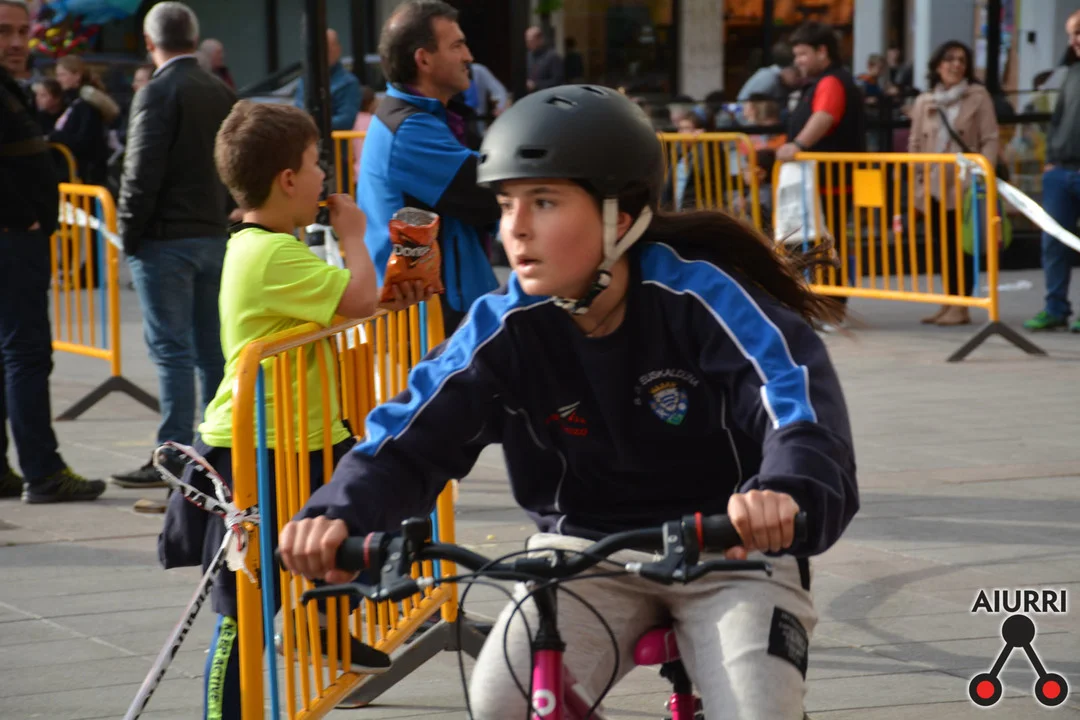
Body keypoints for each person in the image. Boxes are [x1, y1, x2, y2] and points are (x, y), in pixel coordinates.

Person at [279, 84, 859, 720]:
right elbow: (411, 436)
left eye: (545, 201)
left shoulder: (701, 298)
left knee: (755, 708)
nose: (516, 228)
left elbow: (793, 400)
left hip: (729, 550)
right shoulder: (504, 327)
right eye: (506, 205)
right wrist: (338, 514)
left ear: (620, 216)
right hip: (581, 554)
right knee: (504, 700)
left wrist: (787, 487)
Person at [158, 100, 420, 719]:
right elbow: (358, 300)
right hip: (257, 449)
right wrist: (354, 235)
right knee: (244, 606)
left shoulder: (275, 246)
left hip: (302, 434)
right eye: (315, 163)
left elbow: (348, 305)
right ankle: (227, 709)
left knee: (344, 531)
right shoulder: (269, 254)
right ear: (287, 180)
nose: (325, 175)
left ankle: (321, 630)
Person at [111, 2, 237, 495]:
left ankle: (173, 455)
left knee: (173, 353)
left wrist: (128, 233)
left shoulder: (158, 91)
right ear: (194, 38)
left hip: (166, 239)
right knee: (211, 352)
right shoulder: (219, 90)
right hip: (211, 233)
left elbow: (140, 170)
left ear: (150, 43)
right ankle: (215, 453)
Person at [0, 0, 105, 503]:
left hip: (18, 237)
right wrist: (24, 217)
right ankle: (42, 472)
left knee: (11, 355)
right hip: (12, 240)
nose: (17, 42)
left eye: (23, 31)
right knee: (26, 354)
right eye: (5, 31)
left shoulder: (11, 87)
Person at [358, 0, 501, 336]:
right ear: (423, 59)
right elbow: (489, 193)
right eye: (457, 45)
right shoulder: (408, 130)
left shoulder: (420, 118)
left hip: (440, 313)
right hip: (430, 323)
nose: (468, 56)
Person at [777, 22, 867, 313]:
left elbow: (825, 115)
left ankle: (829, 302)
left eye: (803, 54)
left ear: (822, 51)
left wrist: (798, 145)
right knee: (823, 241)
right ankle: (825, 301)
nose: (798, 61)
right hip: (823, 179)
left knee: (825, 241)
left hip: (830, 180)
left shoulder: (831, 82)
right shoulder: (824, 81)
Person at [908, 41, 998, 327]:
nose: (956, 65)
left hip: (965, 183)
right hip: (933, 184)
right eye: (949, 59)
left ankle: (962, 305)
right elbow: (915, 141)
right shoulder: (925, 101)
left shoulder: (978, 96)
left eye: (962, 60)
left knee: (962, 246)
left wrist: (982, 174)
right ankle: (949, 300)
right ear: (938, 65)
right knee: (941, 245)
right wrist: (917, 178)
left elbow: (990, 139)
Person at [1025, 9, 1080, 333]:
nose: (1074, 40)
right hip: (1061, 170)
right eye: (1072, 35)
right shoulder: (1070, 72)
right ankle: (1055, 308)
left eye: (1079, 32)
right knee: (1054, 243)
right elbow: (1056, 118)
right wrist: (1050, 161)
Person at [50, 55, 120, 186]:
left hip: (84, 177)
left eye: (63, 75)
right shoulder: (71, 103)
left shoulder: (86, 106)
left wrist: (54, 137)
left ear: (77, 76)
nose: (59, 79)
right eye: (58, 75)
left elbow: (84, 142)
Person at [293, 29, 361, 131]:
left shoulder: (348, 83)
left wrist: (315, 122)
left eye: (328, 48)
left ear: (338, 49)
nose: (323, 53)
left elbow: (346, 120)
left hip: (333, 140)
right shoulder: (305, 80)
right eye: (319, 48)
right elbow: (298, 111)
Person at [525, 25, 564, 92]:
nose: (528, 44)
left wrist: (536, 85)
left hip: (546, 94)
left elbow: (557, 81)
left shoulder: (552, 57)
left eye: (531, 41)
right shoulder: (528, 56)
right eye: (527, 41)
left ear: (540, 40)